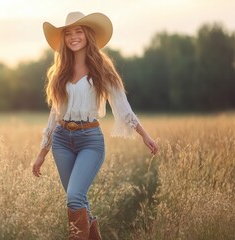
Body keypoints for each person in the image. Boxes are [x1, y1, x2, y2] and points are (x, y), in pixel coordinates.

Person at [32, 12, 159, 240]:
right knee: (79, 200)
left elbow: (123, 108)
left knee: (74, 197)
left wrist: (145, 135)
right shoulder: (59, 71)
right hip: (61, 140)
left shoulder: (103, 69)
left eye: (78, 31)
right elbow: (55, 114)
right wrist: (42, 153)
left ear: (88, 34)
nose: (73, 37)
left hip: (90, 139)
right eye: (68, 33)